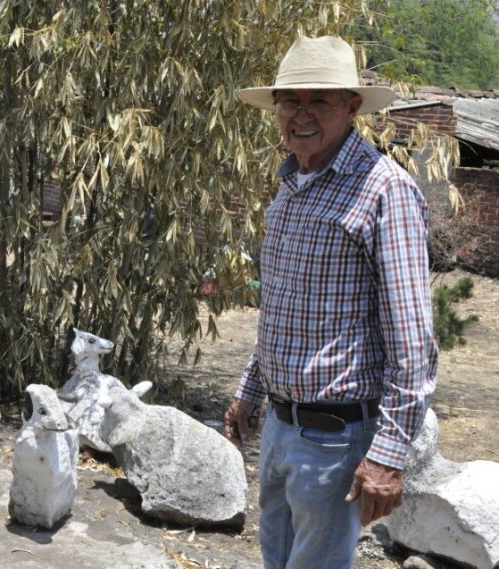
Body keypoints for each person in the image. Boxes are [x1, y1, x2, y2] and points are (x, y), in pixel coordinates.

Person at [226, 36, 439, 569]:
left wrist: (388, 456)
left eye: (319, 101)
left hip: (336, 439)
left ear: (351, 107)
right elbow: (283, 307)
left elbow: (413, 344)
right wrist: (248, 393)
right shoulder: (292, 187)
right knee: (275, 559)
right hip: (279, 429)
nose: (300, 115)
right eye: (290, 102)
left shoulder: (383, 190)